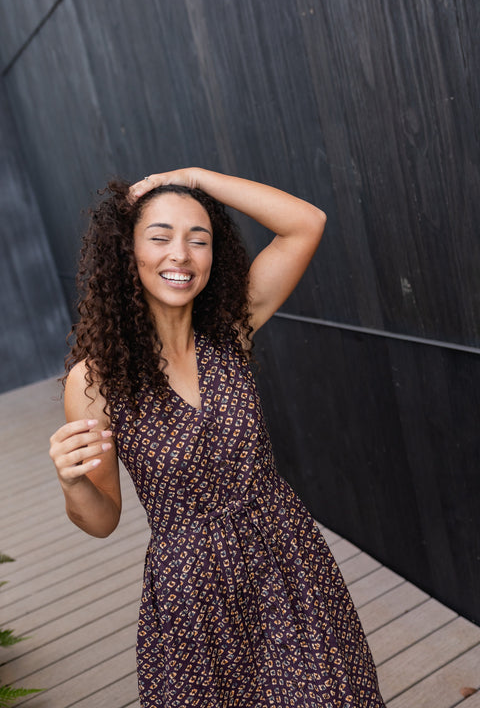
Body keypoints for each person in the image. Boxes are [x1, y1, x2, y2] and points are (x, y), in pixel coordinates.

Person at [49, 167, 385, 707]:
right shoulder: (96, 379)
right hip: (194, 599)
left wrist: (194, 177)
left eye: (197, 239)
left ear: (213, 255)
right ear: (126, 254)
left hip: (287, 563)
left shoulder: (231, 329)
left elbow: (306, 223)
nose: (179, 254)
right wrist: (73, 485)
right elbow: (103, 518)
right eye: (159, 237)